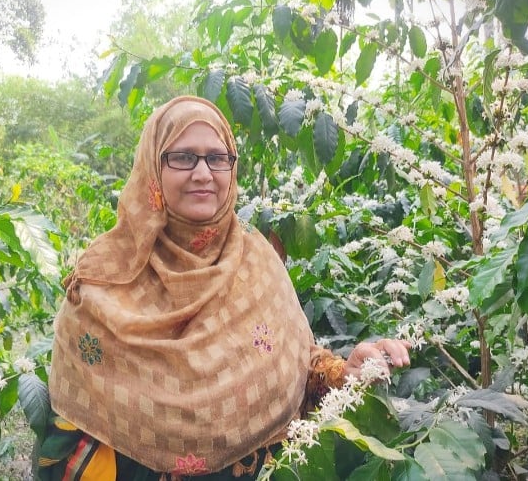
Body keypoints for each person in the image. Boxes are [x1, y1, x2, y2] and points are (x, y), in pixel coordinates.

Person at [38, 95, 411, 480]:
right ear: (152, 167)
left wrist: (342, 374)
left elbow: (297, 365)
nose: (203, 173)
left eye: (217, 158)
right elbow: (69, 435)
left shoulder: (257, 261)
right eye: (183, 157)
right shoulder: (102, 277)